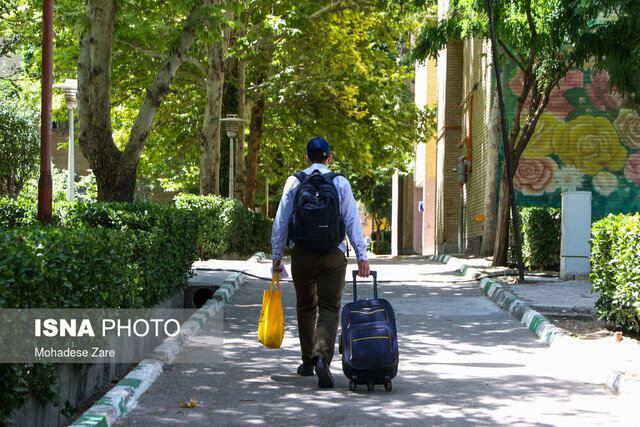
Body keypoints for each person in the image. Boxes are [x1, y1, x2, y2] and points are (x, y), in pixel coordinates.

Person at [271, 137, 370, 388]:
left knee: (306, 307)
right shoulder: (340, 182)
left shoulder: (294, 181)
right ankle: (322, 357)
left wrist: (277, 254)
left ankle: (307, 362)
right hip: (332, 255)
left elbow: (281, 220)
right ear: (329, 158)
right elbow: (351, 221)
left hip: (302, 254)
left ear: (306, 158)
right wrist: (362, 256)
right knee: (330, 307)